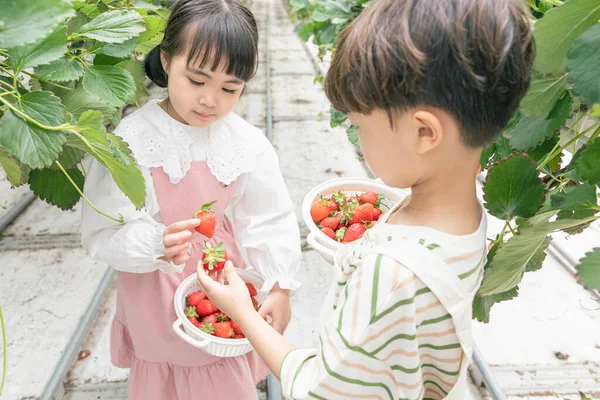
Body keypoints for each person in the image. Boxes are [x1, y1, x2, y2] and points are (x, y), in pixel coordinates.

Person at [196, 0, 534, 398]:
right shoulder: (463, 213)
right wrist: (350, 257)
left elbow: (319, 390)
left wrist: (242, 313)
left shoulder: (389, 279)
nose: (357, 138)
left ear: (424, 133)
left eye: (359, 126)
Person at [80, 0, 302, 398]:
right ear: (166, 61)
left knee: (220, 374)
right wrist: (154, 243)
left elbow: (268, 217)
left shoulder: (245, 142)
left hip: (220, 278)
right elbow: (103, 229)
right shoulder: (133, 140)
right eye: (197, 81)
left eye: (229, 88)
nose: (210, 100)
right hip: (156, 282)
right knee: (169, 373)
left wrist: (280, 285)